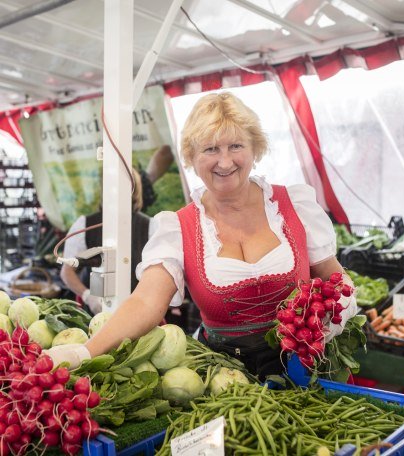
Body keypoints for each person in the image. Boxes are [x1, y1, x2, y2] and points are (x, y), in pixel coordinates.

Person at [48, 92, 357, 379]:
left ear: (255, 148)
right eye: (210, 149)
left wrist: (329, 321)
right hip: (225, 379)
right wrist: (86, 350)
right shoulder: (177, 226)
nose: (224, 161)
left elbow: (336, 282)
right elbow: (146, 301)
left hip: (307, 370)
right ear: (192, 158)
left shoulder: (294, 206)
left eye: (236, 146)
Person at [60, 146, 174, 314]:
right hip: (94, 316)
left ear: (134, 191)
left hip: (137, 314)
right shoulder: (85, 224)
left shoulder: (151, 227)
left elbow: (160, 277)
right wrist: (87, 296)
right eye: (111, 187)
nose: (116, 192)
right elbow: (67, 271)